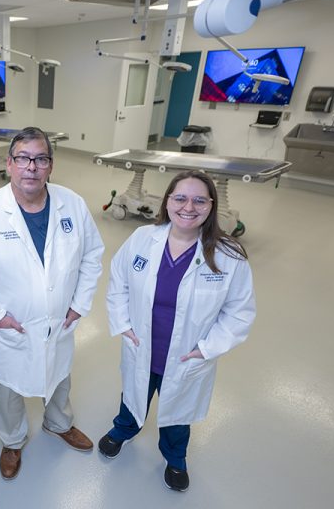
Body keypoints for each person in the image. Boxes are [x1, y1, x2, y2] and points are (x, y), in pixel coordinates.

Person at [0, 126, 104, 480]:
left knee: (59, 376)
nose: (31, 167)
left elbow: (92, 256)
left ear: (50, 165)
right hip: (12, 325)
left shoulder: (73, 204)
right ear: (9, 164)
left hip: (59, 321)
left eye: (40, 159)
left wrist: (80, 304)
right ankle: (12, 440)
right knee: (7, 389)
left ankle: (59, 423)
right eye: (22, 158)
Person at [98, 170, 256, 492]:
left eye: (200, 200)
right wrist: (123, 325)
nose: (189, 207)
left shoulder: (228, 256)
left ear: (211, 206)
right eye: (180, 198)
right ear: (167, 201)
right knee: (133, 395)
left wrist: (207, 349)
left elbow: (239, 313)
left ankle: (175, 457)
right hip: (143, 343)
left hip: (187, 353)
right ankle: (123, 430)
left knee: (177, 413)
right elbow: (118, 283)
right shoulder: (143, 238)